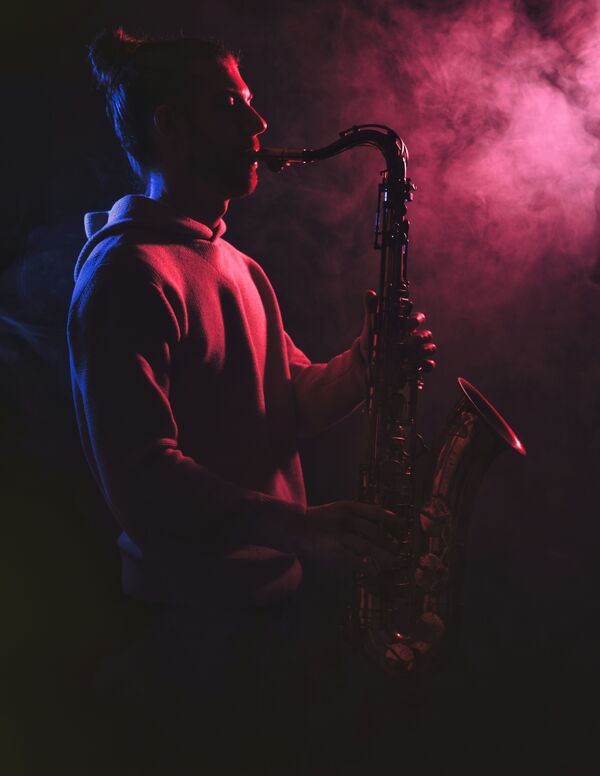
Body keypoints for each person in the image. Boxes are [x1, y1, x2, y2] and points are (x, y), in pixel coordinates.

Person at [67, 28, 436, 774]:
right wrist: (295, 526)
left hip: (263, 612)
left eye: (252, 104)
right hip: (191, 632)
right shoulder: (127, 277)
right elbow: (143, 482)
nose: (259, 126)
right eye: (230, 105)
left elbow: (288, 405)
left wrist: (368, 364)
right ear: (170, 128)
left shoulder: (234, 261)